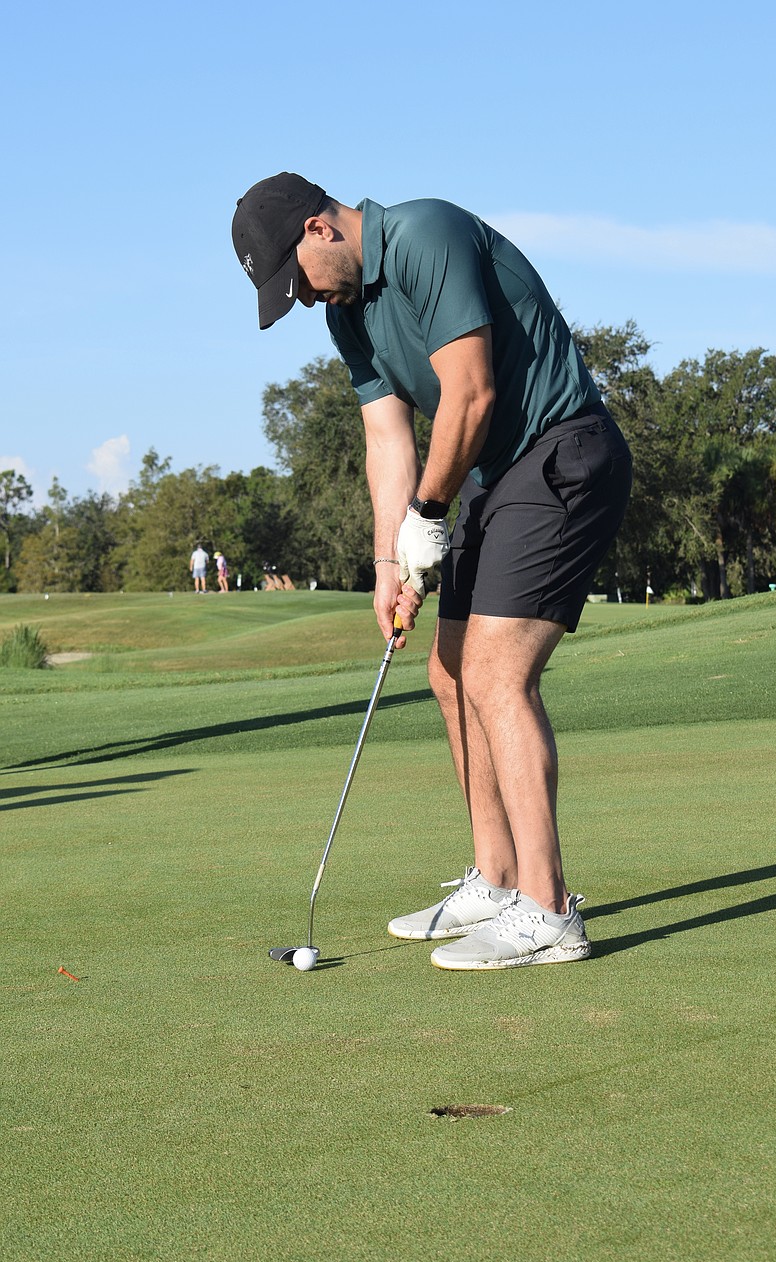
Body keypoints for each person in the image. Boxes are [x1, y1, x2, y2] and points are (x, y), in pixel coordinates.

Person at [232, 172, 632, 971]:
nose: (303, 301)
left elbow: (472, 393)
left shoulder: (424, 234)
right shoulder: (349, 316)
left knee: (493, 674)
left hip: (562, 450)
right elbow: (389, 442)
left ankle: (550, 912)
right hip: (489, 478)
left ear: (321, 229)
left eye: (296, 282)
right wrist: (391, 562)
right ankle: (496, 877)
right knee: (449, 674)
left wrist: (427, 514)